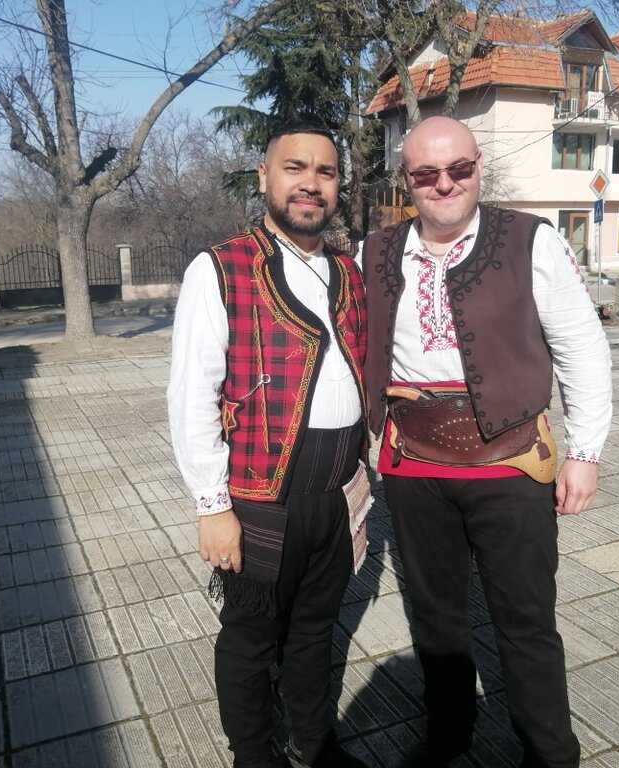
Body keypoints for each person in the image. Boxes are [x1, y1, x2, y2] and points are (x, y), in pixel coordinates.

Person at [361, 116, 612, 768]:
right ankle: (449, 736)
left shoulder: (532, 241)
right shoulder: (375, 252)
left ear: (478, 167)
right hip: (413, 465)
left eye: (460, 169)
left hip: (510, 462)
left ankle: (551, 754)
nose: (444, 184)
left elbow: (582, 348)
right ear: (406, 181)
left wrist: (584, 453)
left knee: (525, 622)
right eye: (426, 173)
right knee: (434, 618)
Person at [168, 123, 371, 768]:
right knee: (251, 639)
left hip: (337, 493)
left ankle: (312, 745)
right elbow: (191, 395)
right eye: (294, 168)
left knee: (314, 631)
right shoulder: (220, 267)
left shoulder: (347, 269)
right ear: (264, 178)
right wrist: (211, 505)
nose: (311, 184)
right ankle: (253, 756)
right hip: (260, 498)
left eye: (325, 172)